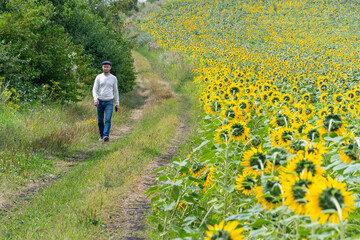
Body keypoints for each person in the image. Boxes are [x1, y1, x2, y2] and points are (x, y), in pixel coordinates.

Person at [92, 61, 119, 142]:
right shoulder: (98, 77)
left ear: (110, 67)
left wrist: (117, 103)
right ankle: (101, 136)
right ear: (102, 67)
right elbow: (94, 89)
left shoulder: (113, 78)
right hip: (100, 101)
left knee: (107, 119)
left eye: (107, 66)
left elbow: (115, 91)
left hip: (109, 102)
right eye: (104, 66)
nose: (106, 68)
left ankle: (106, 136)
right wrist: (95, 99)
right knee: (100, 120)